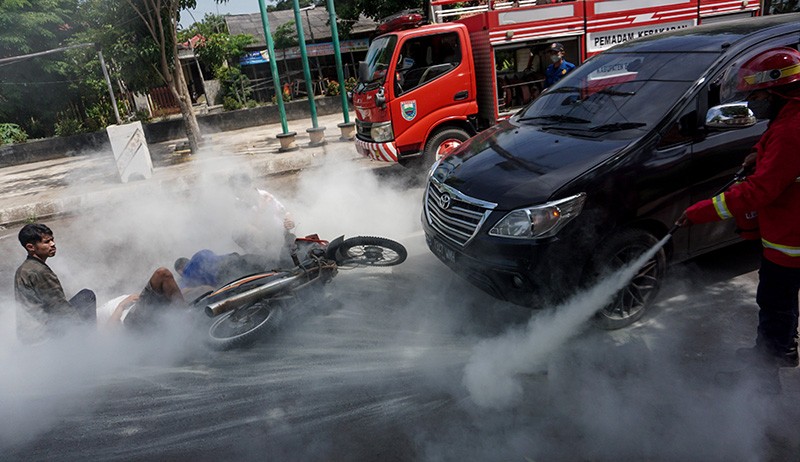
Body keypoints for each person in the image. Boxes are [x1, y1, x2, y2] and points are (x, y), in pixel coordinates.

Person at [678, 48, 800, 384]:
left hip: (791, 239)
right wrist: (757, 156)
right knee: (782, 301)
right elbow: (780, 161)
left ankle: (764, 380)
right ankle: (782, 348)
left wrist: (699, 212)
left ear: (774, 90)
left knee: (774, 302)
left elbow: (759, 192)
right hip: (790, 228)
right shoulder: (789, 118)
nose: (752, 103)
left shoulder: (792, 128)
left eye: (755, 95)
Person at [14, 223, 97, 344]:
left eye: (52, 240)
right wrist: (82, 330)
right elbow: (59, 307)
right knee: (87, 296)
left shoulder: (24, 268)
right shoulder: (39, 271)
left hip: (29, 335)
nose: (53, 244)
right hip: (44, 336)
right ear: (31, 247)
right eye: (46, 242)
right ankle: (89, 343)